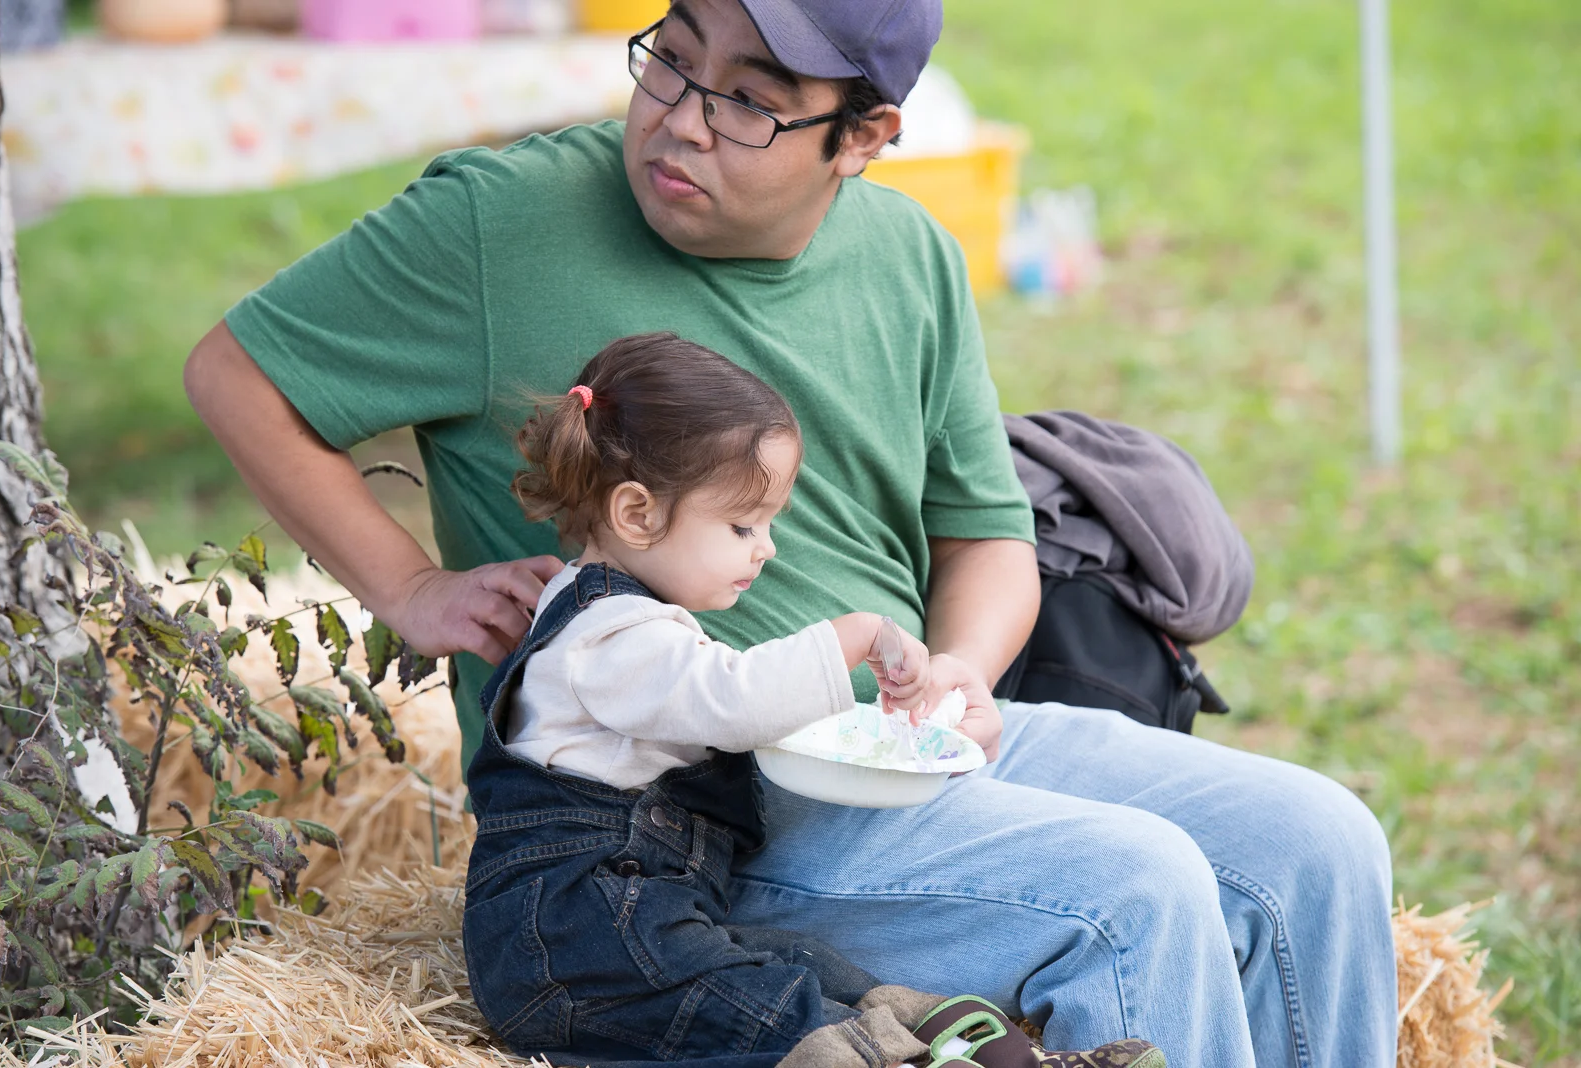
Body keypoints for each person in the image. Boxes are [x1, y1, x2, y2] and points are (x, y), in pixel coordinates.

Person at [183, 0, 1398, 1063]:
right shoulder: (498, 224)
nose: (682, 120)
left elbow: (985, 534)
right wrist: (410, 587)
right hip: (689, 817)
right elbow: (238, 371)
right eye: (673, 57)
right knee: (1135, 894)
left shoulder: (911, 256)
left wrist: (962, 676)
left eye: (752, 102)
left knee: (1320, 839)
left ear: (862, 137)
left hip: (894, 751)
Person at [462, 331, 1165, 1068]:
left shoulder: (618, 617)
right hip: (574, 947)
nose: (766, 547)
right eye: (743, 524)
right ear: (637, 514)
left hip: (634, 920)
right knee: (764, 1011)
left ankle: (942, 1037)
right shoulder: (609, 636)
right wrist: (852, 637)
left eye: (769, 524)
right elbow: (730, 700)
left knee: (802, 964)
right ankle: (893, 1056)